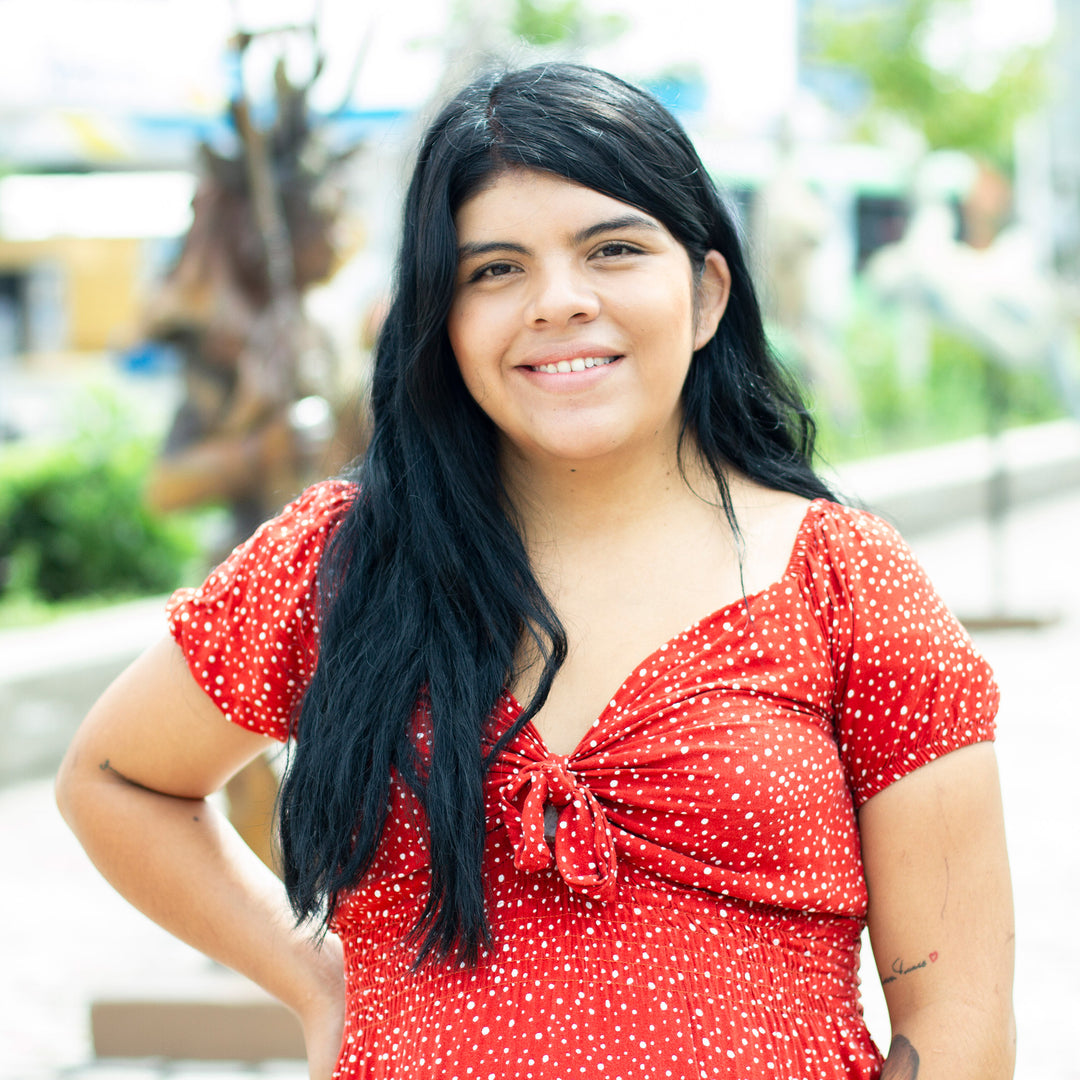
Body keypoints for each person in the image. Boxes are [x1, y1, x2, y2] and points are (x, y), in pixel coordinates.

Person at [56, 64, 1015, 1080]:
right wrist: (315, 980)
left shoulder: (846, 584)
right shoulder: (344, 562)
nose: (559, 302)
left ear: (706, 294)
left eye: (613, 250)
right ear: (442, 319)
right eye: (494, 270)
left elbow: (959, 1021)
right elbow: (114, 779)